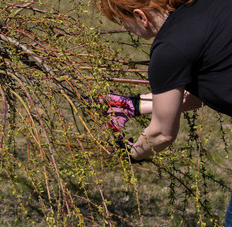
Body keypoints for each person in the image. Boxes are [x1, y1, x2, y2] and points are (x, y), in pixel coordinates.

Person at [94, 0, 232, 225]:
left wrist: (131, 152)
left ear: (141, 16)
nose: (125, 27)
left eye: (123, 20)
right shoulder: (211, 9)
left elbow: (161, 134)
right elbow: (215, 85)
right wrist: (133, 104)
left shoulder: (170, 47)